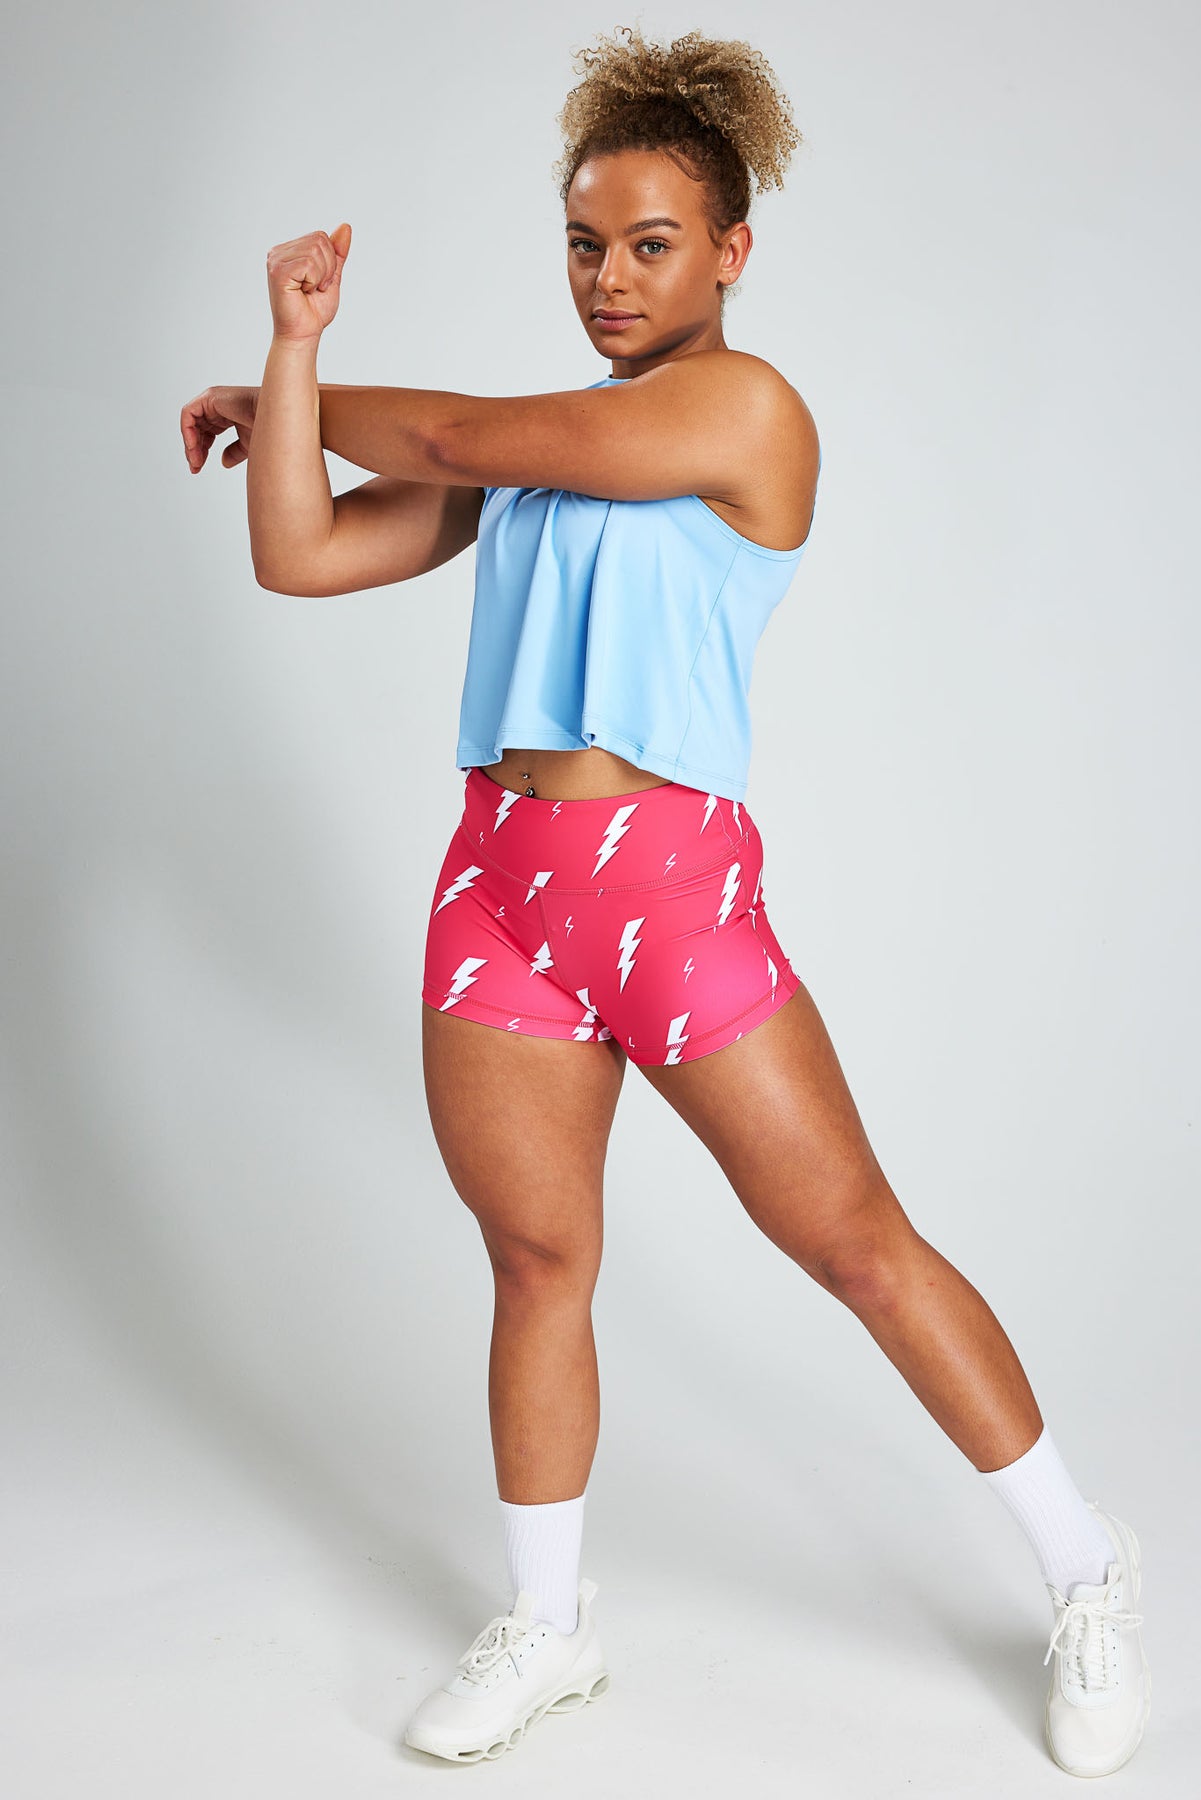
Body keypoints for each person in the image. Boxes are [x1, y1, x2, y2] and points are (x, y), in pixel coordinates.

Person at [180, 21, 1149, 1779]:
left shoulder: (739, 410)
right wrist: (292, 355)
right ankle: (548, 1625)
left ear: (729, 251)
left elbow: (454, 428)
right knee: (537, 1258)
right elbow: (301, 552)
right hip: (497, 889)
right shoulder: (537, 456)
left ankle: (1086, 1568)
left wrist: (280, 400)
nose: (609, 279)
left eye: (646, 244)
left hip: (668, 892)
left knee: (851, 1243)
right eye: (582, 244)